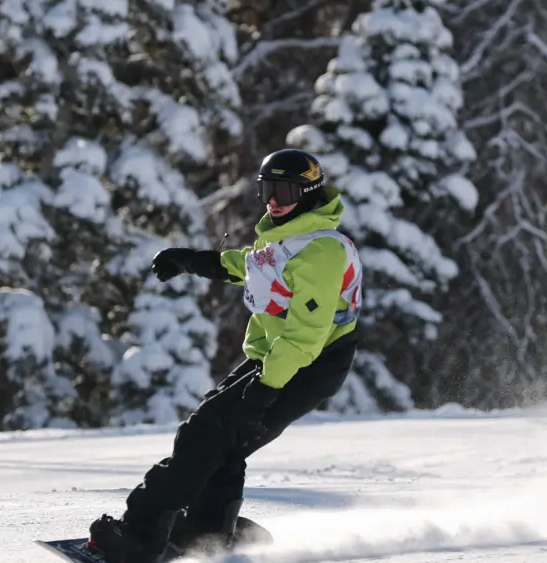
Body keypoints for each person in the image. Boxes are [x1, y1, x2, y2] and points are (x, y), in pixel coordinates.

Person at [85, 148, 364, 563]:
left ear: (307, 192)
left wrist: (264, 392)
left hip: (305, 365)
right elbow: (252, 268)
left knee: (202, 435)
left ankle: (139, 538)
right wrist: (191, 261)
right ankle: (208, 532)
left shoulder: (321, 251)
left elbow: (306, 337)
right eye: (267, 190)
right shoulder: (289, 237)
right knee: (225, 442)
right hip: (279, 359)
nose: (273, 201)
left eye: (285, 191)